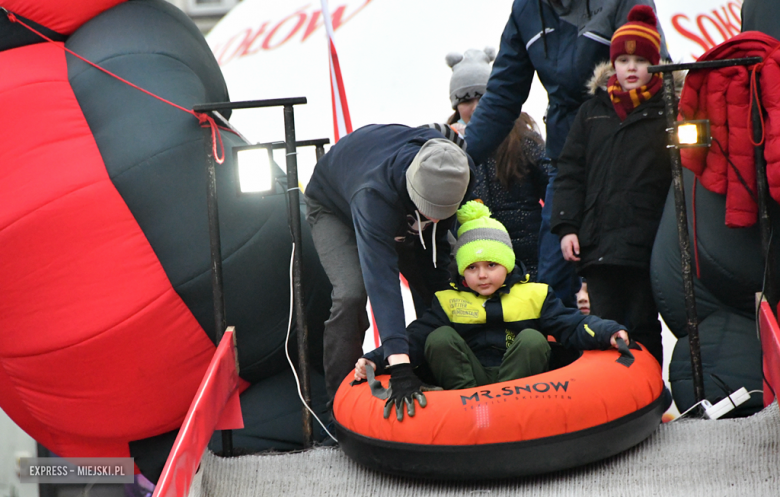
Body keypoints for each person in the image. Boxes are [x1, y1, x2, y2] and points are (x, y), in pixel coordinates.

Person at [464, 0, 669, 309]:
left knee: (630, 281)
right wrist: (460, 160)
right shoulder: (526, 10)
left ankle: (632, 353)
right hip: (567, 160)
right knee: (551, 279)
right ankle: (561, 353)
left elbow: (654, 70)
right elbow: (503, 93)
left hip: (629, 157)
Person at [356, 201, 628, 414]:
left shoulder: (535, 295)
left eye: (491, 265)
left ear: (507, 264)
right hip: (467, 383)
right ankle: (471, 410)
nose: (482, 275)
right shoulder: (448, 301)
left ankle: (506, 409)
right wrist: (377, 358)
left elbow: (572, 325)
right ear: (462, 271)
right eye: (472, 268)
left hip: (520, 385)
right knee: (438, 337)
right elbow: (413, 339)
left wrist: (608, 332)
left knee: (533, 339)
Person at [305, 123, 474, 414]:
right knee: (351, 294)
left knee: (441, 286)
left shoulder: (459, 169)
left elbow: (436, 256)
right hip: (334, 206)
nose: (434, 219)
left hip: (404, 205)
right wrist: (399, 368)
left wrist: (440, 290)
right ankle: (338, 404)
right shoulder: (373, 197)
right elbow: (382, 283)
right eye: (428, 211)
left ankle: (436, 369)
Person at [550, 5, 673, 365]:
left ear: (655, 62)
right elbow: (571, 171)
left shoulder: (669, 110)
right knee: (603, 327)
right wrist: (567, 227)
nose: (631, 67)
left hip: (648, 243)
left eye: (639, 59)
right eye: (623, 59)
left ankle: (650, 395)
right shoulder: (592, 112)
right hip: (599, 244)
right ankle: (614, 404)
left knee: (643, 324)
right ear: (612, 64)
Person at [445, 48, 549, 281]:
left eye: (482, 97)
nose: (475, 107)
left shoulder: (524, 138)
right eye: (465, 100)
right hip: (478, 270)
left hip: (531, 263)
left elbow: (554, 187)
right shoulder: (446, 148)